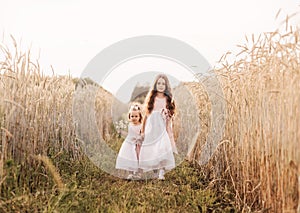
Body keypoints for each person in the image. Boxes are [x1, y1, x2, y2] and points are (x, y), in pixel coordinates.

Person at [139, 74, 178, 180]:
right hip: (151, 130)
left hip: (162, 130)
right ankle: (155, 171)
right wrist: (142, 131)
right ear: (156, 85)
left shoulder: (167, 99)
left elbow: (169, 119)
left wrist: (169, 130)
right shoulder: (152, 98)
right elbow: (146, 117)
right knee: (152, 150)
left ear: (166, 86)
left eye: (163, 84)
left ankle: (161, 171)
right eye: (159, 83)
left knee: (162, 149)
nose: (161, 85)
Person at [115, 103, 143, 179]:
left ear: (140, 117)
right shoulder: (130, 125)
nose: (134, 118)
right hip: (129, 144)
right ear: (129, 117)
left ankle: (139, 173)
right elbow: (129, 134)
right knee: (129, 157)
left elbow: (143, 134)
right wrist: (121, 132)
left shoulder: (141, 125)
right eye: (132, 116)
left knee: (139, 158)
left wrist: (140, 138)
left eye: (136, 116)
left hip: (138, 144)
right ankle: (130, 173)